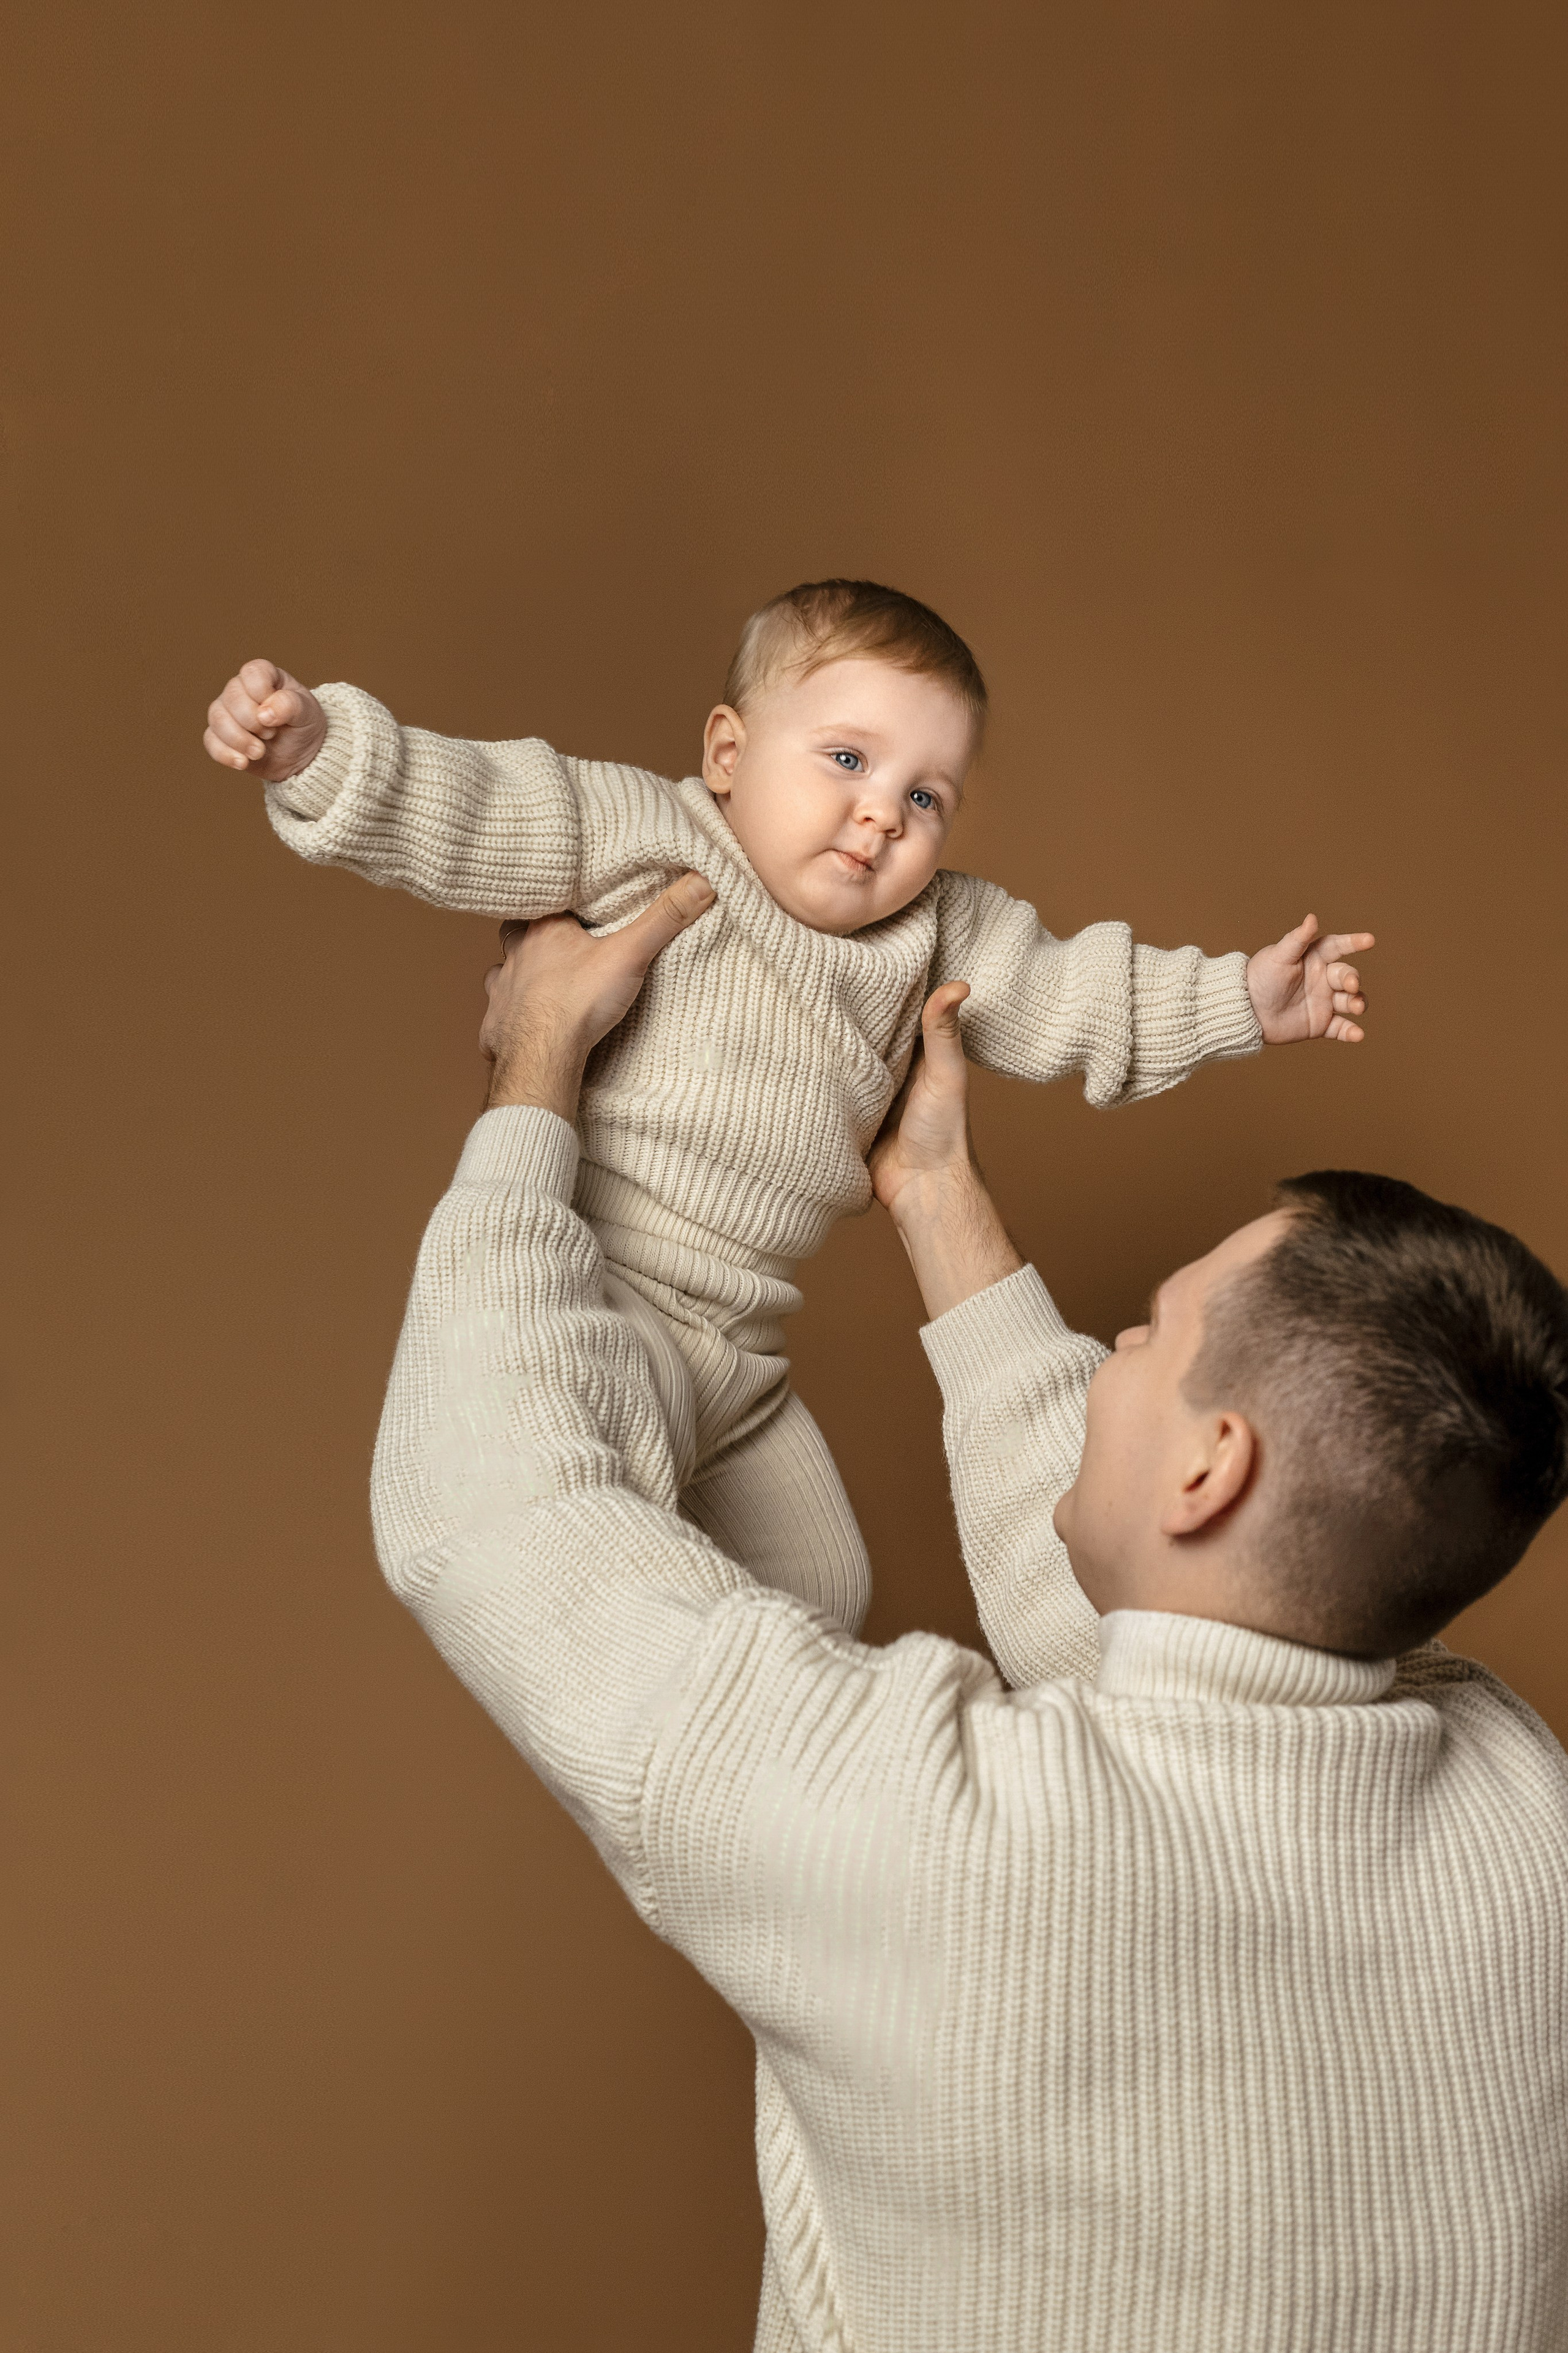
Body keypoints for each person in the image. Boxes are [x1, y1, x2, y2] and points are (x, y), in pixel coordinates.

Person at [371, 874, 1568, 2353]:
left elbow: (492, 1515)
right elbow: (1189, 1670)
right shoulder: (1522, 1811)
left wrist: (530, 1083)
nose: (1114, 1345)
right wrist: (935, 1193)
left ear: (1210, 1465)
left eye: (1149, 1328)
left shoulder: (923, 1834)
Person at [203, 579, 1372, 1636]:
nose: (882, 818)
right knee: (605, 1520)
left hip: (747, 1345)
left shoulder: (936, 934)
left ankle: (749, 1812)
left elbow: (1082, 994)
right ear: (728, 751)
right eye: (848, 762)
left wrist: (1240, 999)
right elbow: (474, 806)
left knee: (825, 1588)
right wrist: (321, 752)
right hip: (613, 1293)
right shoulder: (649, 837)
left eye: (927, 796)